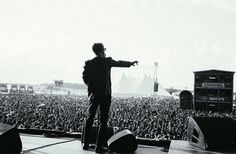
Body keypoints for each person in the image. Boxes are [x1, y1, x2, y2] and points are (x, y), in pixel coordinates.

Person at [82, 43, 138, 153]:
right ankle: (98, 147)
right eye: (104, 50)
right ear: (102, 51)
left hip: (94, 95)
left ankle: (85, 144)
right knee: (103, 122)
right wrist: (130, 63)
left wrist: (91, 87)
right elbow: (119, 63)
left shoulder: (89, 63)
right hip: (105, 95)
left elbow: (85, 78)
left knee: (90, 119)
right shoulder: (107, 61)